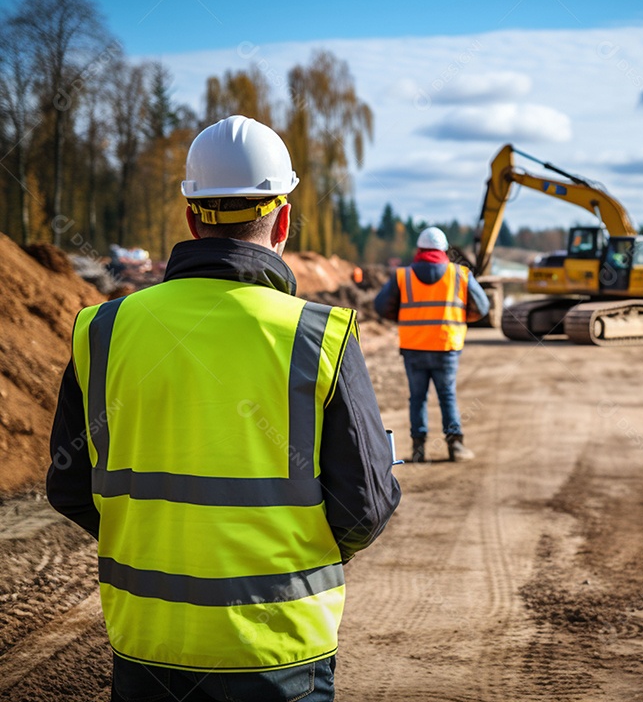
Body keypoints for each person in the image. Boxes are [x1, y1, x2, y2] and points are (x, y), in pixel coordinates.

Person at [47, 115, 400, 702]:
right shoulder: (318, 336)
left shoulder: (104, 328)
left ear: (190, 217)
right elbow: (362, 508)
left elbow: (69, 486)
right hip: (280, 651)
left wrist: (155, 539)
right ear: (283, 217)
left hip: (148, 645)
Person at [374, 227, 489, 463]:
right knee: (447, 395)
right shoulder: (459, 274)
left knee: (417, 398)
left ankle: (418, 450)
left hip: (413, 345)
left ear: (419, 250)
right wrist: (462, 316)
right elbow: (483, 306)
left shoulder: (403, 275)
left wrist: (404, 316)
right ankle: (455, 446)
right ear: (444, 250)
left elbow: (381, 306)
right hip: (446, 345)